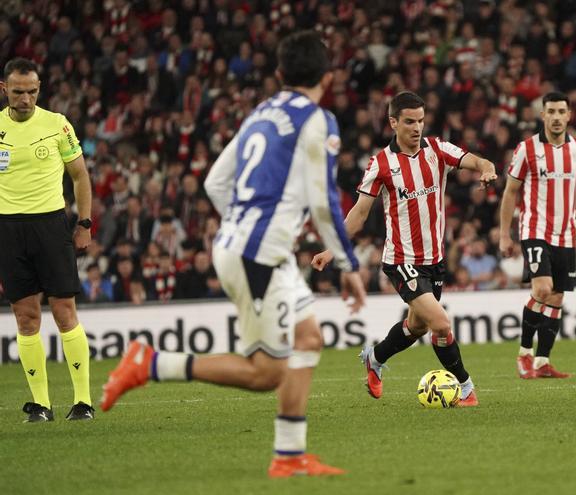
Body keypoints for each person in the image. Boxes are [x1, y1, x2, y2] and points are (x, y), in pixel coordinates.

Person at [100, 31, 366, 478]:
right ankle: (150, 363)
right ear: (329, 76)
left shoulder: (260, 114)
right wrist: (348, 265)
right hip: (256, 255)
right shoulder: (318, 121)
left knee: (308, 339)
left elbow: (215, 183)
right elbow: (324, 203)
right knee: (265, 373)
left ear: (280, 75)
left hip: (250, 247)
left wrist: (246, 226)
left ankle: (290, 455)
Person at [312, 91, 497, 407]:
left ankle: (376, 357)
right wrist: (332, 249)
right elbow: (358, 213)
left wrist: (487, 168)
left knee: (416, 326)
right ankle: (466, 388)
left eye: (421, 121)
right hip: (400, 260)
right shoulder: (381, 164)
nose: (417, 127)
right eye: (409, 121)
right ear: (393, 122)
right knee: (440, 324)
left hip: (434, 260)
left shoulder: (437, 150)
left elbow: (476, 159)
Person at [0, 58, 95, 422]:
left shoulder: (57, 125)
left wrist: (84, 222)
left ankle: (83, 401)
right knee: (25, 318)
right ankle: (40, 405)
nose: (26, 98)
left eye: (33, 91)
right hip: (8, 229)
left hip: (51, 226)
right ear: (4, 89)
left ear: (39, 90)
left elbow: (80, 176)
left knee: (63, 312)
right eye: (19, 91)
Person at [498, 91, 576, 379]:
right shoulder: (527, 149)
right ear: (543, 115)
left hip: (566, 233)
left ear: (569, 115)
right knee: (543, 289)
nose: (557, 117)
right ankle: (524, 354)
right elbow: (510, 191)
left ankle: (542, 361)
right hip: (534, 230)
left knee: (557, 298)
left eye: (562, 111)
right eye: (552, 111)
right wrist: (504, 235)